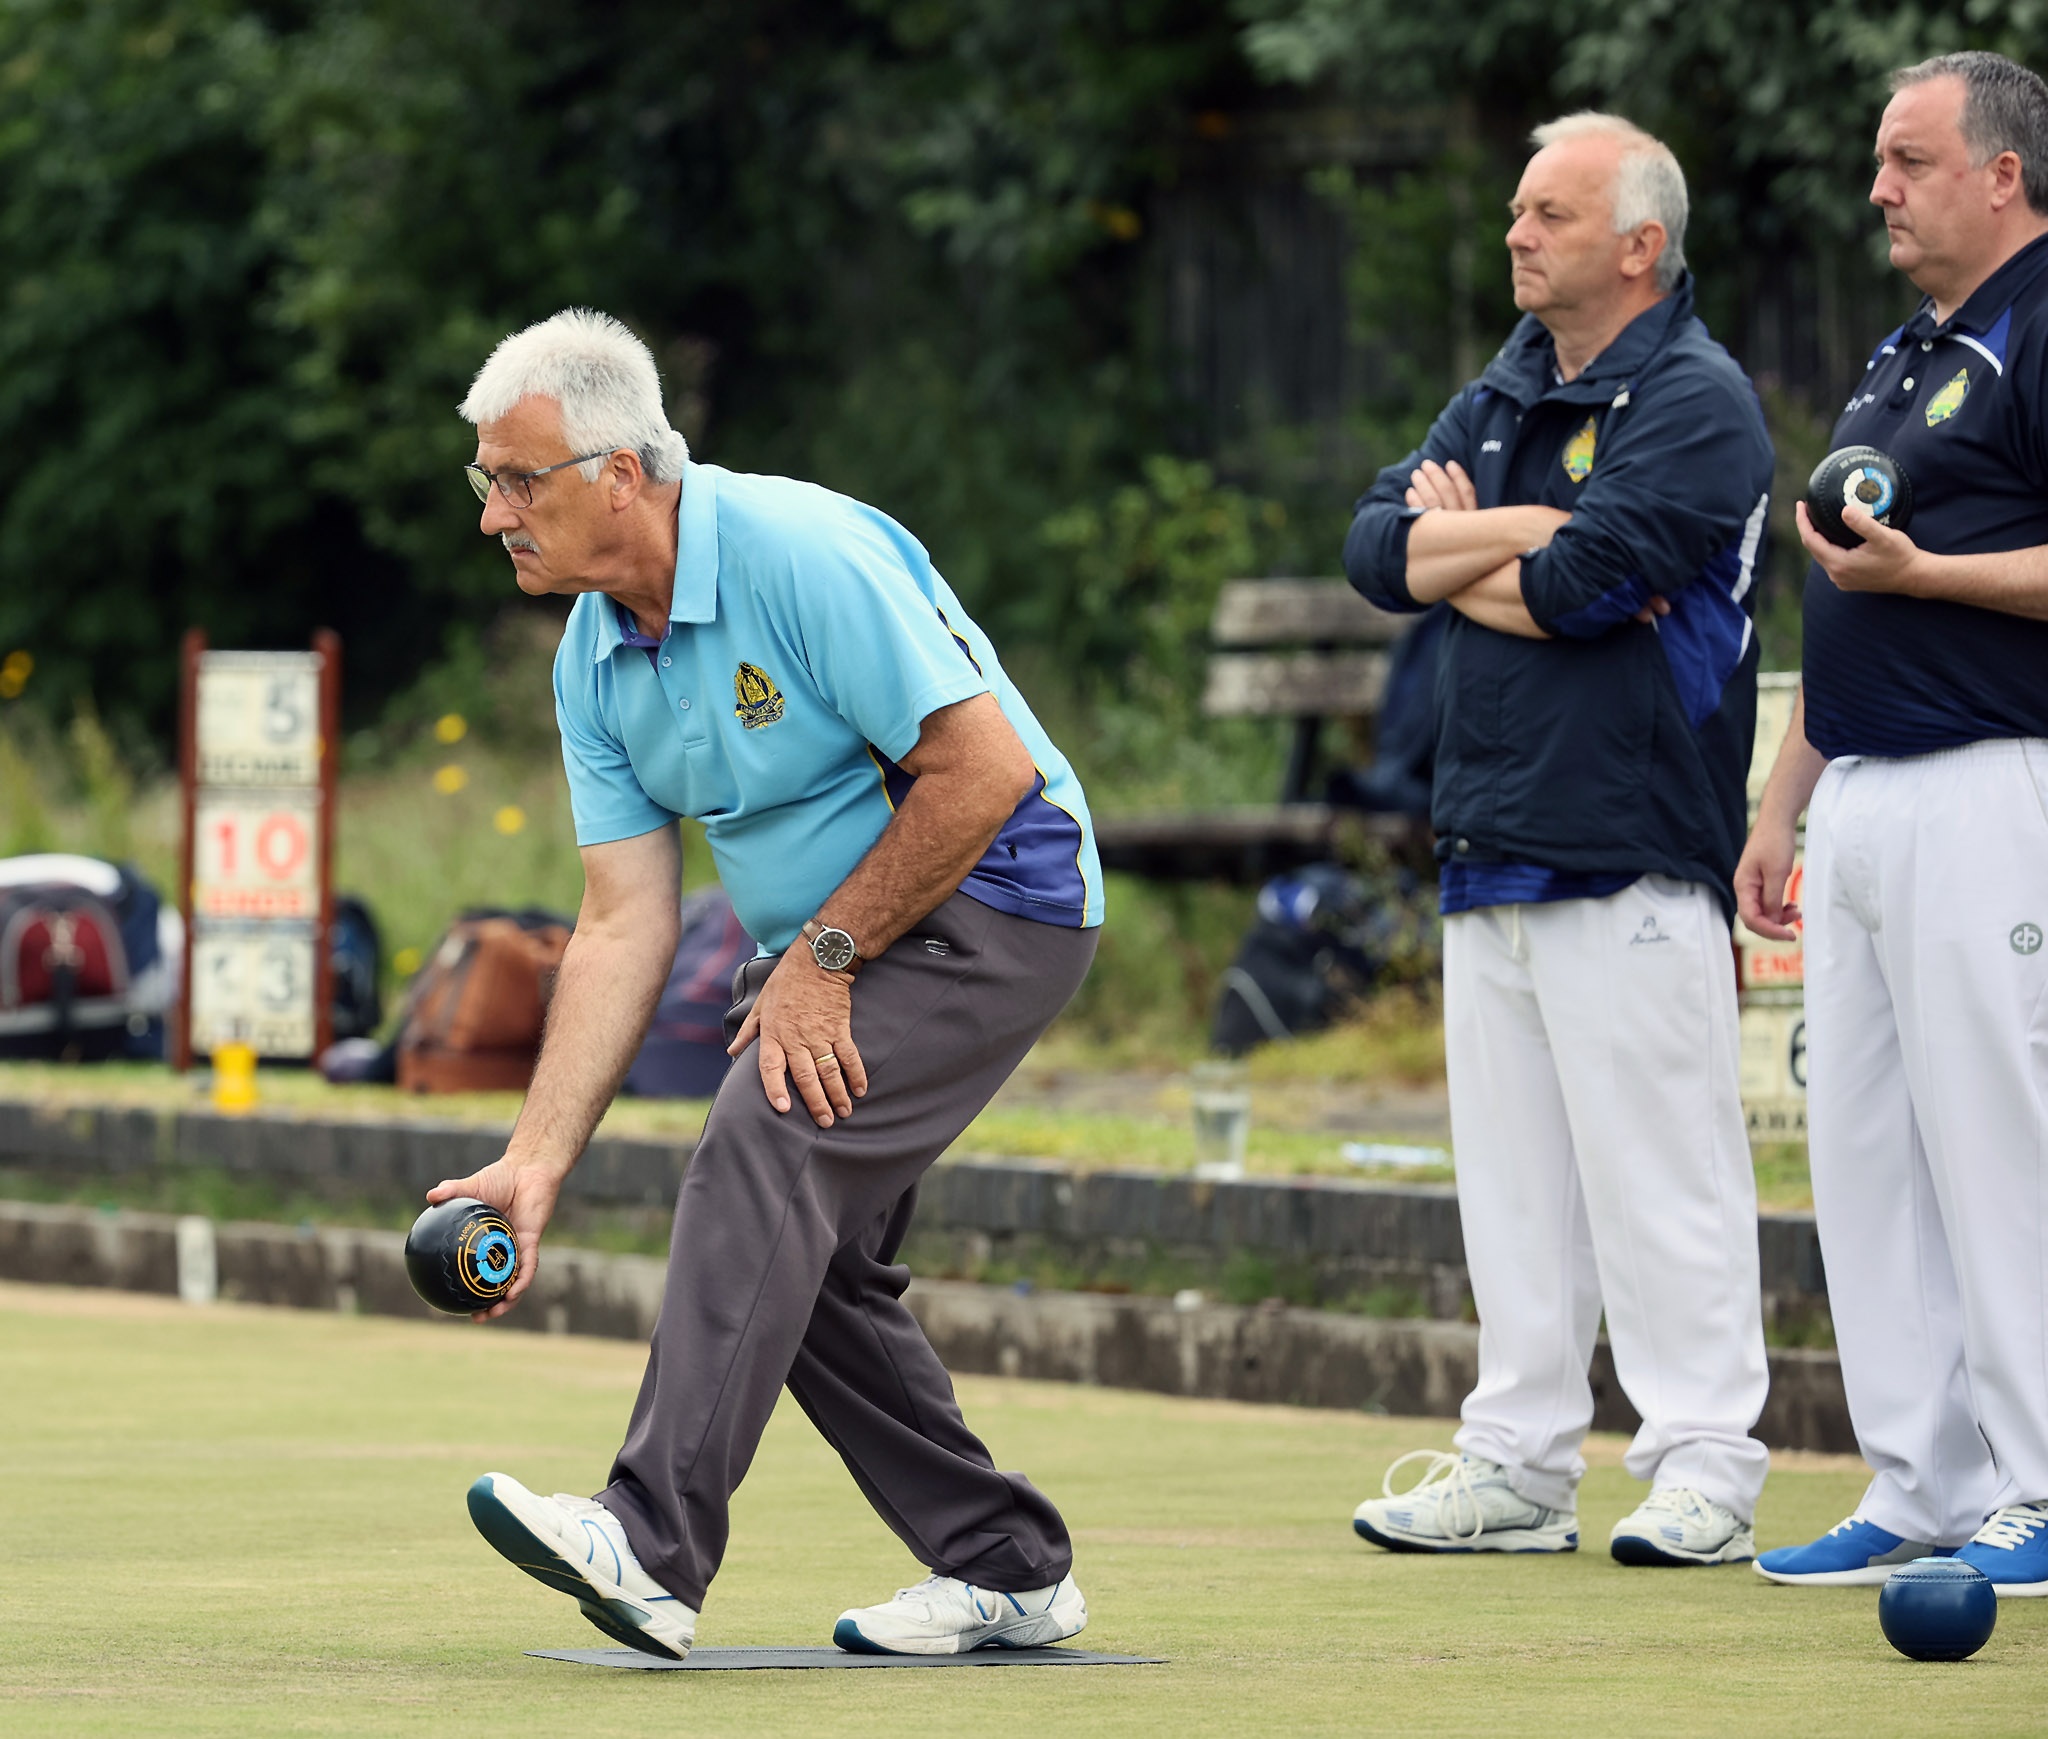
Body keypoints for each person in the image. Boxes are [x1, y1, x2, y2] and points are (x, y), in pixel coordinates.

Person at [431, 308, 1104, 1657]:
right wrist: (536, 1160)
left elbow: (985, 774)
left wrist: (826, 959)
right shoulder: (592, 658)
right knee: (807, 1268)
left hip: (998, 893)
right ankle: (1006, 1562)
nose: (493, 514)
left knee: (772, 1135)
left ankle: (650, 1542)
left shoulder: (804, 553)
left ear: (619, 471)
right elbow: (623, 923)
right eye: (483, 480)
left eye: (518, 479)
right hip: (839, 941)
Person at [1343, 113, 1774, 1566]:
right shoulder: (1507, 387)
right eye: (1519, 210)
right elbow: (1371, 552)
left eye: (1551, 215)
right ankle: (1520, 1464)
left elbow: (1591, 586)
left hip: (1636, 838)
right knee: (1513, 1186)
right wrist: (1523, 528)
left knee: (1663, 1173)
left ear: (1639, 246)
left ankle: (1708, 1462)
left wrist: (1478, 547)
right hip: (1492, 833)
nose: (1516, 234)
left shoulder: (1699, 400)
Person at [1740, 52, 2048, 1594]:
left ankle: (2044, 1484)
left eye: (1909, 161)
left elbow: (1929, 571)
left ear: (2003, 172)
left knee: (2001, 1140)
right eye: (1878, 161)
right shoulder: (1905, 347)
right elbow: (1846, 576)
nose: (1879, 190)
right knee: (1865, 1150)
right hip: (1861, 793)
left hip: (1997, 782)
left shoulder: (2046, 322)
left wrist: (1926, 579)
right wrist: (1786, 803)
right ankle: (1920, 1482)